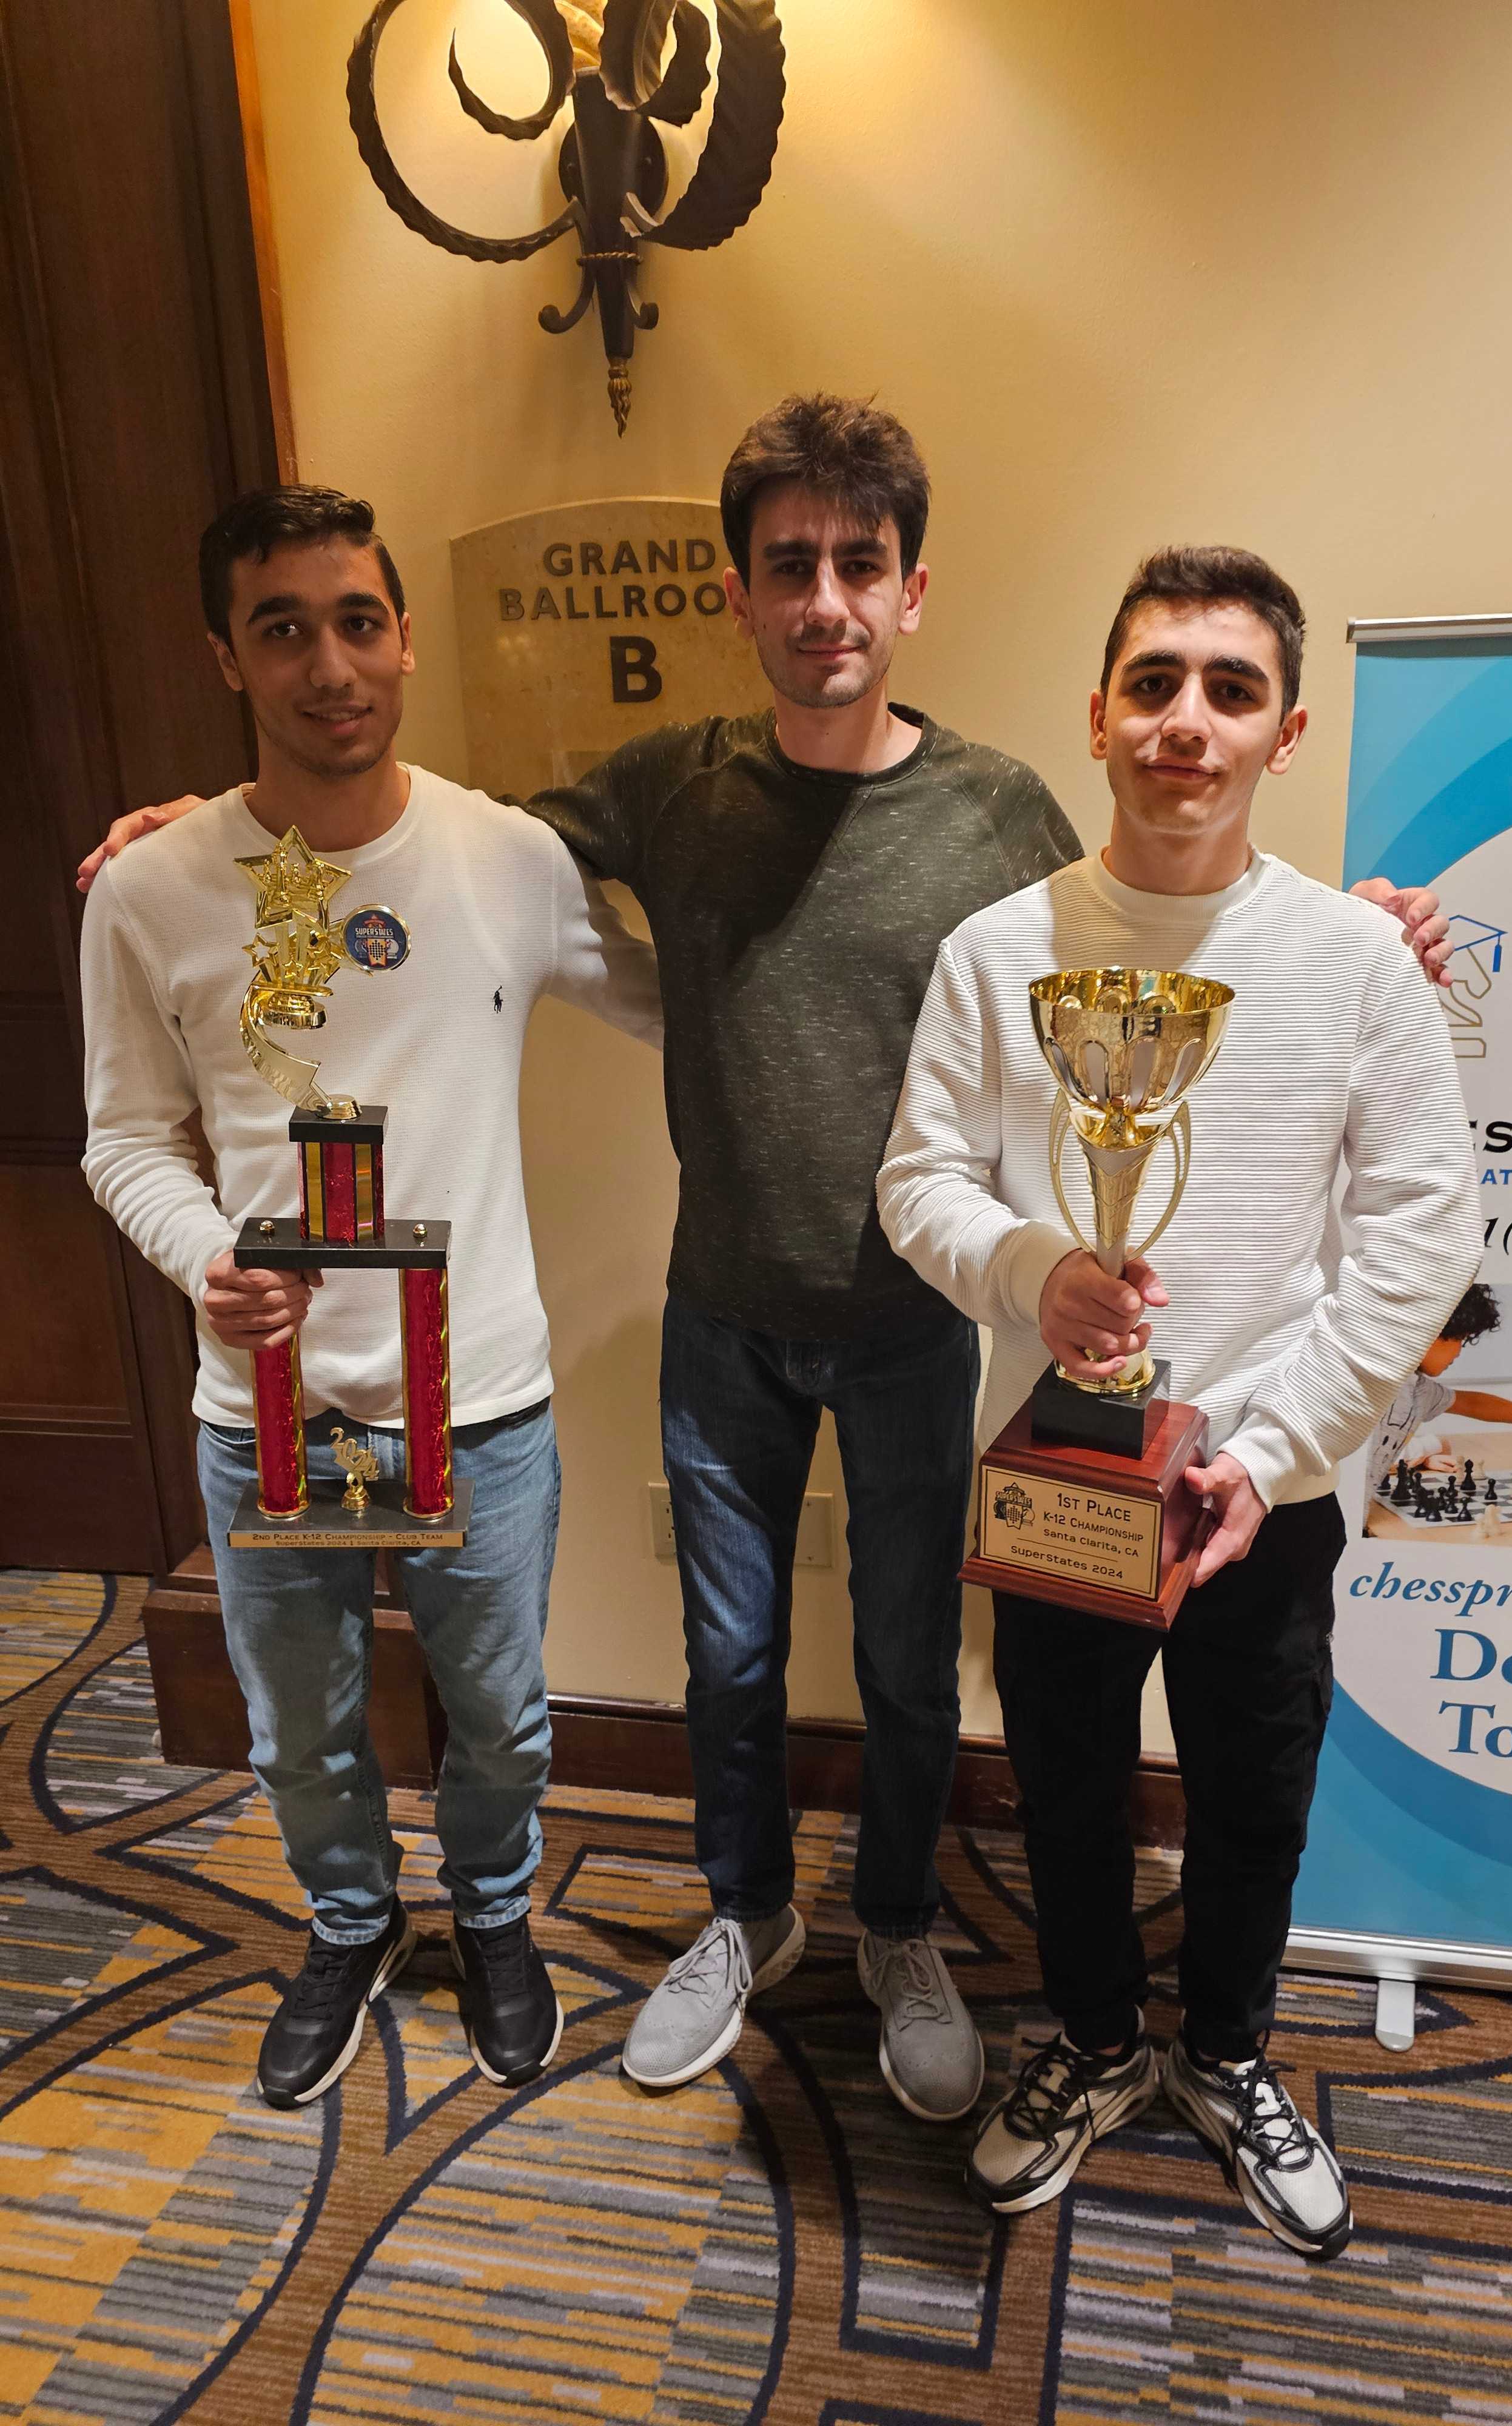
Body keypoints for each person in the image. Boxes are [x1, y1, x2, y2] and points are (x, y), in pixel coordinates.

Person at [78, 404, 1451, 2129]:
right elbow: (415, 838)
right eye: (789, 565)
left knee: (905, 1670)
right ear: (738, 595)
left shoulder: (994, 807)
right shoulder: (665, 785)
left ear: (910, 592)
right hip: (719, 1314)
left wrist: (1362, 921)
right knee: (726, 1665)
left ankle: (899, 1927)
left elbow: (1149, 907)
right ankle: (742, 1916)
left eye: (858, 565)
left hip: (917, 1326)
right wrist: (210, 833)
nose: (824, 600)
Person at [878, 545, 1479, 2256]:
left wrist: (1270, 1449)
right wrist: (1031, 1269)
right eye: (1151, 684)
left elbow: (1421, 1226)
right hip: (1066, 1463)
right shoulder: (997, 952)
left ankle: (1224, 2050)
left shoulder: (1352, 962)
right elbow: (918, 1179)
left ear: (1284, 732)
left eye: (1229, 689)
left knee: (1253, 1793)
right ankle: (1090, 2040)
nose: (1183, 722)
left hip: (1261, 1488)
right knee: (1064, 1784)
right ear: (1097, 715)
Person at [80, 486, 662, 2109]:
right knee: (301, 1728)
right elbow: (124, 1134)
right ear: (228, 657)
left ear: (404, 639)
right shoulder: (153, 889)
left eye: (355, 622)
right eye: (282, 629)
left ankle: (494, 1918)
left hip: (480, 1407)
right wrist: (203, 1253)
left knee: (504, 1717)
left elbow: (680, 1009)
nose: (327, 666)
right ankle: (348, 1923)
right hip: (269, 1410)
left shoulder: (506, 858)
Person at [1366, 1280, 1512, 1500]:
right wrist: (1427, 1448)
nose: (1459, 1352)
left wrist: (1421, 1456)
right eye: (1460, 1339)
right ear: (1432, 1330)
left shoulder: (1417, 1389)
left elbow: (1470, 1403)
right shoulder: (1373, 1381)